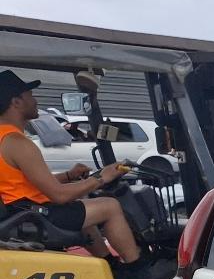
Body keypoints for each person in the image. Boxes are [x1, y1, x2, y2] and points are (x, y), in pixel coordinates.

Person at [0, 69, 141, 264]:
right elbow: (59, 195)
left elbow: (27, 183)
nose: (35, 101)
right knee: (110, 206)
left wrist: (69, 175)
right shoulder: (17, 143)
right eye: (30, 96)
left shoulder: (4, 139)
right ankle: (138, 269)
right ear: (16, 102)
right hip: (32, 216)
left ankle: (111, 265)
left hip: (20, 211)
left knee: (79, 205)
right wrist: (101, 178)